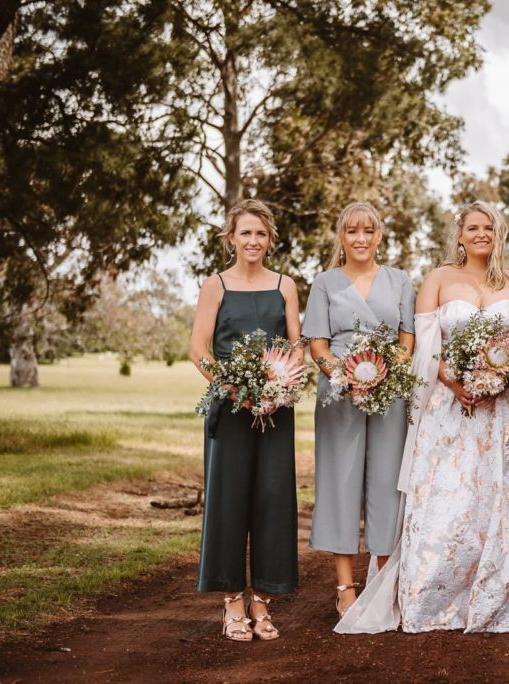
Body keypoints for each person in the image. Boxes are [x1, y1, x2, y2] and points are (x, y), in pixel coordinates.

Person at [334, 200, 509, 634]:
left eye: (488, 228)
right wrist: (460, 385)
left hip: (507, 413)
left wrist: (501, 381)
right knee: (449, 502)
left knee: (504, 503)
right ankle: (436, 599)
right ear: (460, 234)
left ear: (499, 233)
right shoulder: (437, 278)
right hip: (450, 409)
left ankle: (500, 596)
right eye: (473, 228)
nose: (480, 235)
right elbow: (422, 348)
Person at [189, 199, 302, 642]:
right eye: (245, 233)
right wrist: (234, 387)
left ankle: (263, 604)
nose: (253, 241)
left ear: (270, 240)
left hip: (277, 411)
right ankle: (232, 602)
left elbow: (295, 345)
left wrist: (278, 388)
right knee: (230, 500)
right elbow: (199, 349)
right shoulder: (214, 285)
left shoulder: (285, 285)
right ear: (231, 238)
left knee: (273, 501)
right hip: (231, 410)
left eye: (261, 234)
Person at [303, 202, 416, 618]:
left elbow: (408, 341)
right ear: (341, 237)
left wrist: (385, 374)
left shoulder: (400, 281)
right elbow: (316, 343)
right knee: (340, 480)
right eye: (353, 231)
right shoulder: (324, 283)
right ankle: (345, 585)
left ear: (379, 235)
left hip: (389, 391)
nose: (361, 239)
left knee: (388, 482)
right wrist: (345, 374)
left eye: (368, 231)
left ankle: (384, 581)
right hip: (339, 393)